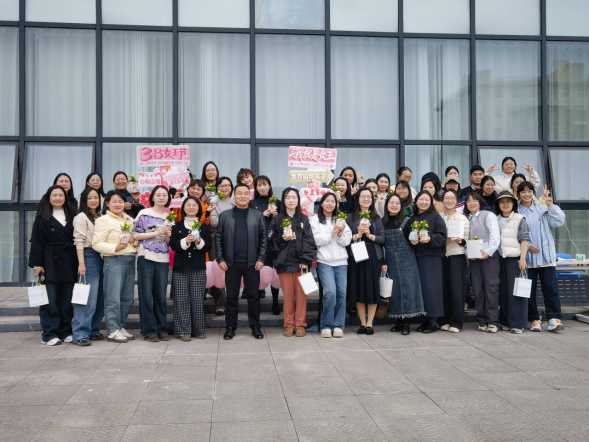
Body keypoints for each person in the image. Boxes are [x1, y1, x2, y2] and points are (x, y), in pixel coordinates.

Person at [216, 183, 267, 340]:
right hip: (231, 263)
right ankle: (230, 327)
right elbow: (218, 238)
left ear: (249, 196)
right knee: (231, 297)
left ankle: (256, 327)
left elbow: (264, 239)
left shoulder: (257, 215)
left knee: (253, 297)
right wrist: (220, 258)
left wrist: (261, 258)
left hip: (252, 263)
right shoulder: (225, 216)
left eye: (246, 193)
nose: (243, 196)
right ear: (234, 196)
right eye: (239, 193)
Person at [29, 185, 78, 346]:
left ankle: (65, 331)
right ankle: (49, 334)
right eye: (54, 195)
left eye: (61, 195)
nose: (58, 198)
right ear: (49, 198)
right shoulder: (42, 217)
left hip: (69, 261)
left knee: (66, 300)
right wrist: (37, 264)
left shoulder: (72, 215)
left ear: (65, 197)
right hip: (49, 261)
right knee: (49, 300)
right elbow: (37, 242)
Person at [518, 182, 566, 332]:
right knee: (529, 291)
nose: (526, 194)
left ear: (533, 193)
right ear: (518, 194)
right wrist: (528, 245)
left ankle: (554, 319)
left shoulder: (542, 209)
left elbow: (559, 221)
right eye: (523, 192)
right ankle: (534, 319)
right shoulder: (516, 212)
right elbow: (513, 232)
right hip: (528, 259)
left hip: (546, 256)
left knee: (551, 288)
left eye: (529, 191)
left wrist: (551, 205)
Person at [269, 188, 317, 337]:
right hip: (284, 263)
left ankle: (300, 324)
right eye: (288, 197)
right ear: (283, 200)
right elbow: (270, 240)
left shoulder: (303, 219)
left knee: (302, 296)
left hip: (301, 264)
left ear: (298, 200)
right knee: (288, 295)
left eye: (294, 197)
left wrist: (305, 259)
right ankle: (289, 324)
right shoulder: (277, 219)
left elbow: (309, 241)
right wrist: (282, 239)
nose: (291, 200)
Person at [92, 190, 137, 343]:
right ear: (107, 203)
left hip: (130, 259)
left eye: (120, 201)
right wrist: (115, 248)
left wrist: (133, 240)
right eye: (114, 201)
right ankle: (112, 329)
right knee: (113, 297)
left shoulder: (130, 219)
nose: (118, 204)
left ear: (125, 203)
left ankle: (120, 326)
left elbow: (136, 239)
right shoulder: (103, 220)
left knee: (127, 297)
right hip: (114, 260)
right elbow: (96, 243)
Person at [132, 185, 172, 342]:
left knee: (161, 296)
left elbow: (168, 242)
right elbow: (135, 234)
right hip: (146, 257)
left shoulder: (169, 217)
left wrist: (167, 235)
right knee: (146, 295)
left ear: (168, 198)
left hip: (163, 259)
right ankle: (149, 330)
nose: (161, 197)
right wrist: (157, 232)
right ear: (152, 197)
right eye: (158, 194)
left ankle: (162, 328)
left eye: (164, 195)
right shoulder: (144, 213)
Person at [169, 197, 212, 341]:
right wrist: (185, 241)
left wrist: (199, 241)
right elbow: (173, 245)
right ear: (183, 208)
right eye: (188, 205)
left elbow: (208, 247)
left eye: (195, 205)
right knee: (181, 300)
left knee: (197, 299)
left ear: (199, 208)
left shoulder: (204, 226)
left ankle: (199, 329)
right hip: (180, 268)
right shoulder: (177, 226)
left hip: (198, 267)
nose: (192, 207)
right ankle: (184, 330)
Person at [404, 191, 447, 333]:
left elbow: (442, 236)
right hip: (416, 257)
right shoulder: (412, 219)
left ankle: (433, 322)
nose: (423, 202)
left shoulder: (436, 217)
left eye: (427, 200)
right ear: (416, 202)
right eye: (421, 199)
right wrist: (412, 241)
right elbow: (406, 237)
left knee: (432, 289)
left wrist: (430, 238)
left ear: (431, 202)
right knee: (422, 290)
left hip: (432, 257)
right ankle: (425, 320)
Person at [310, 192, 352, 338]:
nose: (330, 204)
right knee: (330, 292)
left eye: (333, 201)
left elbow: (347, 241)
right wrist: (332, 233)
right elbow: (316, 240)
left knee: (342, 294)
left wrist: (340, 235)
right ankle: (326, 325)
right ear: (321, 203)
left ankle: (338, 325)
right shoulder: (314, 220)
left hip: (341, 262)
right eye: (327, 201)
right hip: (324, 262)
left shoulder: (340, 220)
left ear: (336, 204)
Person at [382, 194, 424, 336]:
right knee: (395, 291)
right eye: (391, 203)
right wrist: (383, 261)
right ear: (386, 205)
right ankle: (398, 320)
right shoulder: (382, 222)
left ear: (401, 206)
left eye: (397, 203)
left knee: (408, 289)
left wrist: (415, 240)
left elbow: (413, 240)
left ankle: (407, 322)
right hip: (390, 260)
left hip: (407, 259)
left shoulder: (407, 221)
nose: (394, 205)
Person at [346, 187, 386, 335]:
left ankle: (370, 324)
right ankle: (362, 323)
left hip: (373, 255)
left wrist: (370, 235)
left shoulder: (376, 218)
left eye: (369, 196)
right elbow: (345, 238)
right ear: (358, 199)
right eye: (363, 196)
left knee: (372, 289)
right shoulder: (350, 217)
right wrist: (357, 235)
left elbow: (382, 239)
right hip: (356, 255)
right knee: (359, 289)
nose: (366, 199)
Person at [72, 187, 105, 346]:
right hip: (89, 255)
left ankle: (93, 329)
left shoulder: (100, 216)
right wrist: (81, 263)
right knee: (87, 297)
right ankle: (80, 333)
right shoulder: (81, 217)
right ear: (84, 200)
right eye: (89, 198)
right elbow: (78, 241)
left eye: (96, 198)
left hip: (103, 255)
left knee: (100, 296)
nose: (93, 200)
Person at [466, 192, 501, 333]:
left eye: (474, 200)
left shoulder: (488, 215)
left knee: (491, 288)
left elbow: (495, 236)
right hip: (474, 260)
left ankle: (493, 321)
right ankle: (481, 320)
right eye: (469, 201)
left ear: (480, 202)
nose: (472, 203)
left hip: (489, 258)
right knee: (478, 289)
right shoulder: (466, 219)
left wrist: (488, 252)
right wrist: (469, 255)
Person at [495, 191, 530, 334]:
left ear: (513, 203)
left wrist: (522, 258)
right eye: (502, 202)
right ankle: (505, 321)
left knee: (516, 293)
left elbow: (524, 239)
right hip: (499, 259)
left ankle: (518, 324)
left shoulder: (519, 218)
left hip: (514, 260)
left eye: (508, 201)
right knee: (503, 292)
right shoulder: (496, 219)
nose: (505, 204)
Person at [249, 175, 281, 312]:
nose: (262, 188)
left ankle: (275, 302)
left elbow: (285, 223)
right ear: (256, 188)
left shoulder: (277, 202)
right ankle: (256, 303)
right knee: (258, 272)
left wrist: (277, 216)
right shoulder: (252, 203)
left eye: (265, 184)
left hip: (275, 243)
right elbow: (249, 223)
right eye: (259, 185)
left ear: (269, 186)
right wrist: (262, 215)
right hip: (258, 243)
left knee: (274, 272)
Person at [439, 189, 469, 333]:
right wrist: (443, 241)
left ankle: (456, 322)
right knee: (444, 289)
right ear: (443, 200)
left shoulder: (462, 218)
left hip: (457, 255)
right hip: (442, 256)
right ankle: (444, 320)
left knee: (457, 290)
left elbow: (468, 241)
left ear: (457, 201)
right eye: (447, 198)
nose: (449, 201)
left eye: (452, 198)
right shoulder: (438, 217)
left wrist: (460, 241)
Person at [209, 176, 235, 315]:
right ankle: (220, 304)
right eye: (221, 186)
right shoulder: (215, 202)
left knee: (232, 271)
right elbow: (213, 221)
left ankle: (231, 301)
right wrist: (230, 222)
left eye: (227, 185)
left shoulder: (235, 201)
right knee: (218, 270)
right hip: (216, 240)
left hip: (234, 241)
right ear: (217, 188)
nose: (224, 188)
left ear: (231, 187)